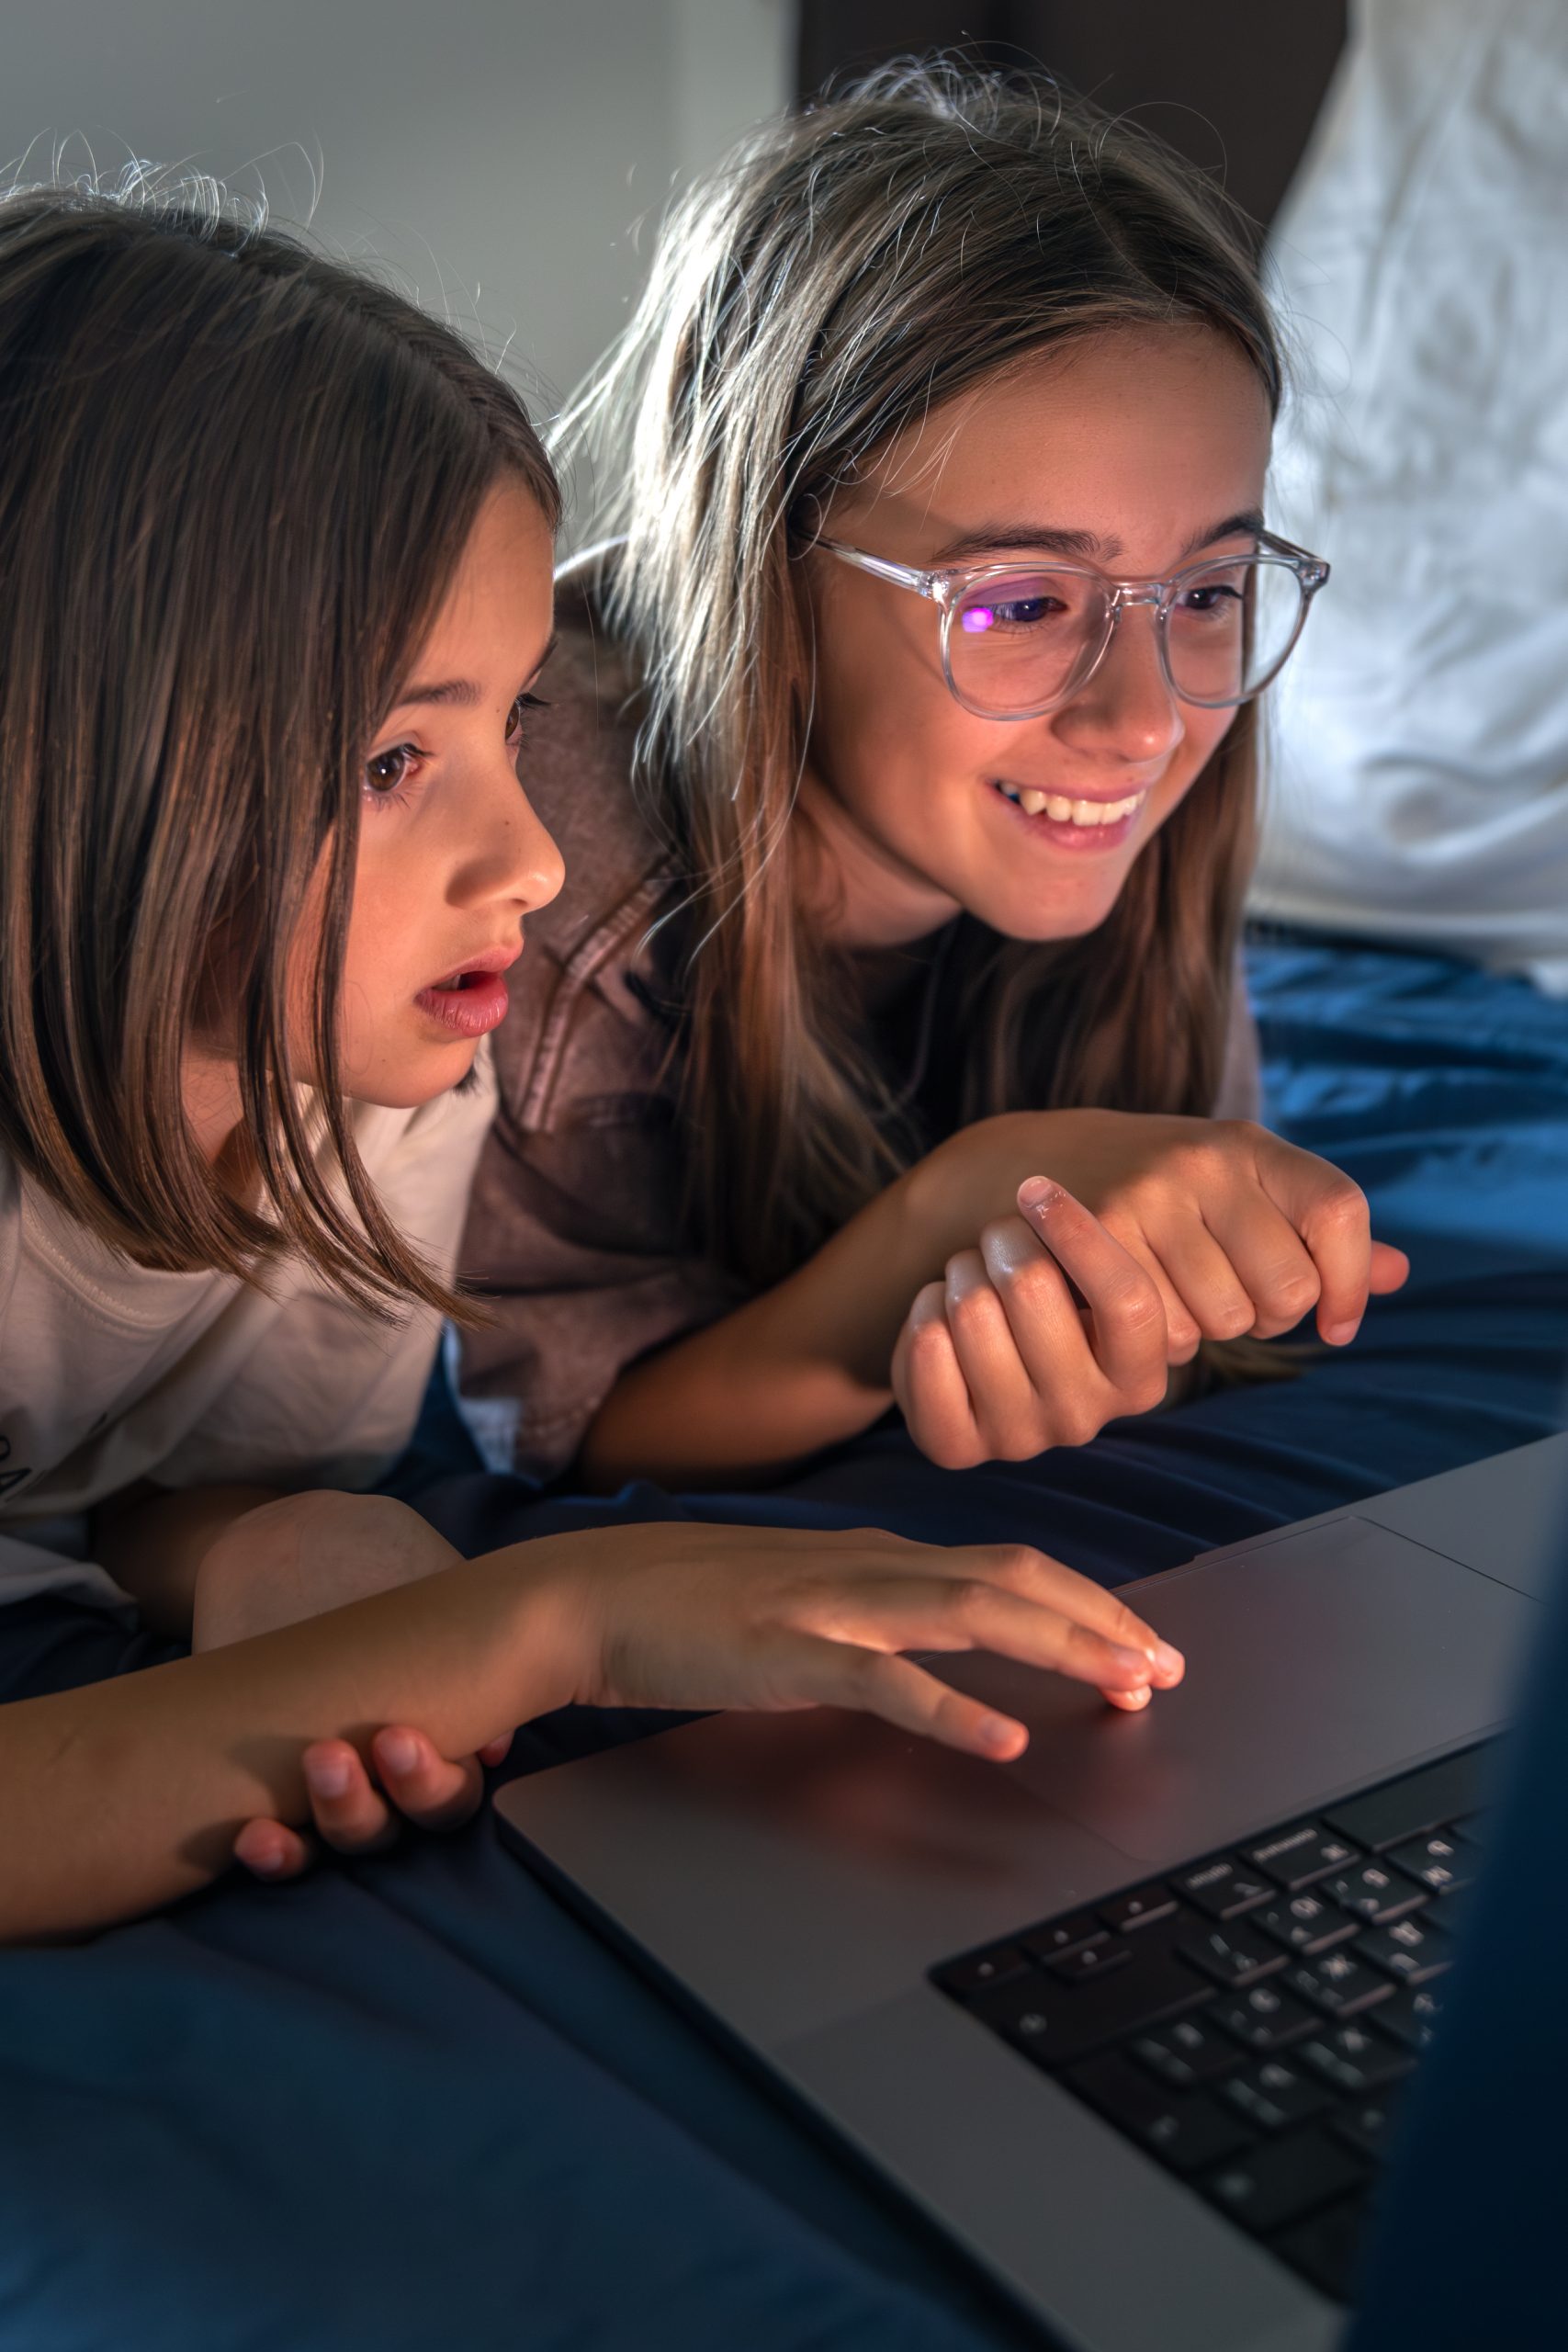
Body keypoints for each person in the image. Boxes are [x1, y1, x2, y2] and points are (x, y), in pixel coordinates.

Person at [0, 183, 1184, 1944]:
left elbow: (95, 1490)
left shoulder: (367, 1100)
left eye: (514, 721)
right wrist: (557, 1617)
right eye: (395, 764)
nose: (535, 867)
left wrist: (237, 1548)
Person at [456, 62, 1408, 1493]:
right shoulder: (545, 865)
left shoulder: (1171, 759)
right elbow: (573, 1425)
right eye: (1023, 603)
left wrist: (1123, 1305)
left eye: (1210, 588)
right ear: (765, 567)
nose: (1144, 723)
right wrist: (941, 1229)